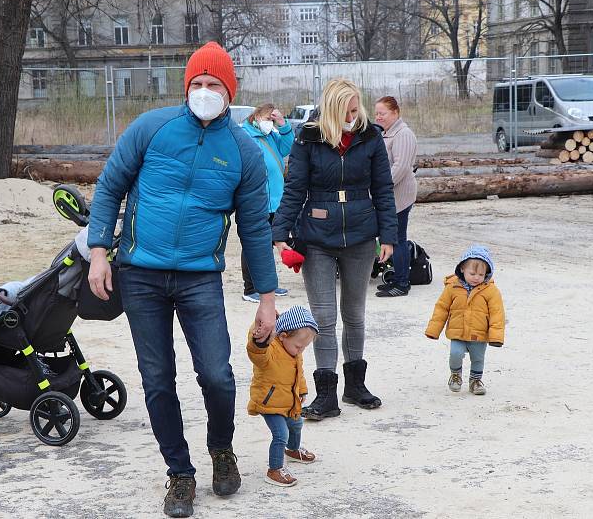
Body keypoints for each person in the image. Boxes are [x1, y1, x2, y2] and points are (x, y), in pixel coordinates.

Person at [86, 41, 278, 519]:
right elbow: (110, 186)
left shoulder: (244, 152)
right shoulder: (152, 128)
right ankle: (180, 473)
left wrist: (268, 297)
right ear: (186, 87)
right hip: (140, 274)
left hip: (199, 279)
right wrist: (98, 252)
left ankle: (221, 450)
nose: (205, 92)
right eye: (198, 84)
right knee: (157, 379)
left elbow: (255, 228)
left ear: (230, 92)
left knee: (217, 374)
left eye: (214, 85)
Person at [271, 78, 398, 420]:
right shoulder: (307, 139)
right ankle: (326, 394)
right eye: (346, 112)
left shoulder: (370, 136)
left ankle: (355, 386)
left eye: (356, 110)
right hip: (318, 238)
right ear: (330, 111)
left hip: (360, 236)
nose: (352, 117)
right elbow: (294, 188)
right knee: (324, 317)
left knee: (354, 313)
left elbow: (384, 189)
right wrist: (279, 229)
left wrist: (389, 236)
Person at [247, 306, 319, 487]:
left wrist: (302, 390)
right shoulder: (269, 350)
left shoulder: (295, 353)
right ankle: (275, 469)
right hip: (269, 402)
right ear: (283, 335)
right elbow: (256, 353)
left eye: (304, 347)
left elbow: (298, 374)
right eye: (298, 346)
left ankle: (293, 450)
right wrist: (259, 335)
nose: (300, 350)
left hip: (289, 400)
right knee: (281, 434)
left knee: (297, 424)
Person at [425, 245, 505, 395]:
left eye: (481, 274)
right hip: (457, 331)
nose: (476, 277)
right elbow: (442, 308)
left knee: (478, 358)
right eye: (472, 273)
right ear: (462, 269)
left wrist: (496, 336)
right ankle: (455, 375)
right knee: (455, 353)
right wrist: (433, 330)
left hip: (479, 333)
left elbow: (497, 314)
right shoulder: (452, 287)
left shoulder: (491, 291)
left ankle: (475, 381)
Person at [240, 103, 295, 303]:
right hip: (257, 200)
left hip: (274, 201)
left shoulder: (271, 135)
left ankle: (268, 285)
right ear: (256, 118)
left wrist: (282, 123)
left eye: (272, 119)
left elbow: (288, 146)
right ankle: (250, 287)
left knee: (270, 244)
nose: (270, 123)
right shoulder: (246, 136)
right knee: (253, 245)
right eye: (268, 119)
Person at [374, 96, 418, 297]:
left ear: (395, 113)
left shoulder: (403, 134)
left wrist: (381, 187)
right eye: (376, 113)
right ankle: (397, 277)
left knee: (398, 238)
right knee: (391, 238)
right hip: (389, 196)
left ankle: (402, 283)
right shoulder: (388, 134)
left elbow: (400, 167)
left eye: (382, 113)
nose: (378, 117)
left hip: (399, 196)